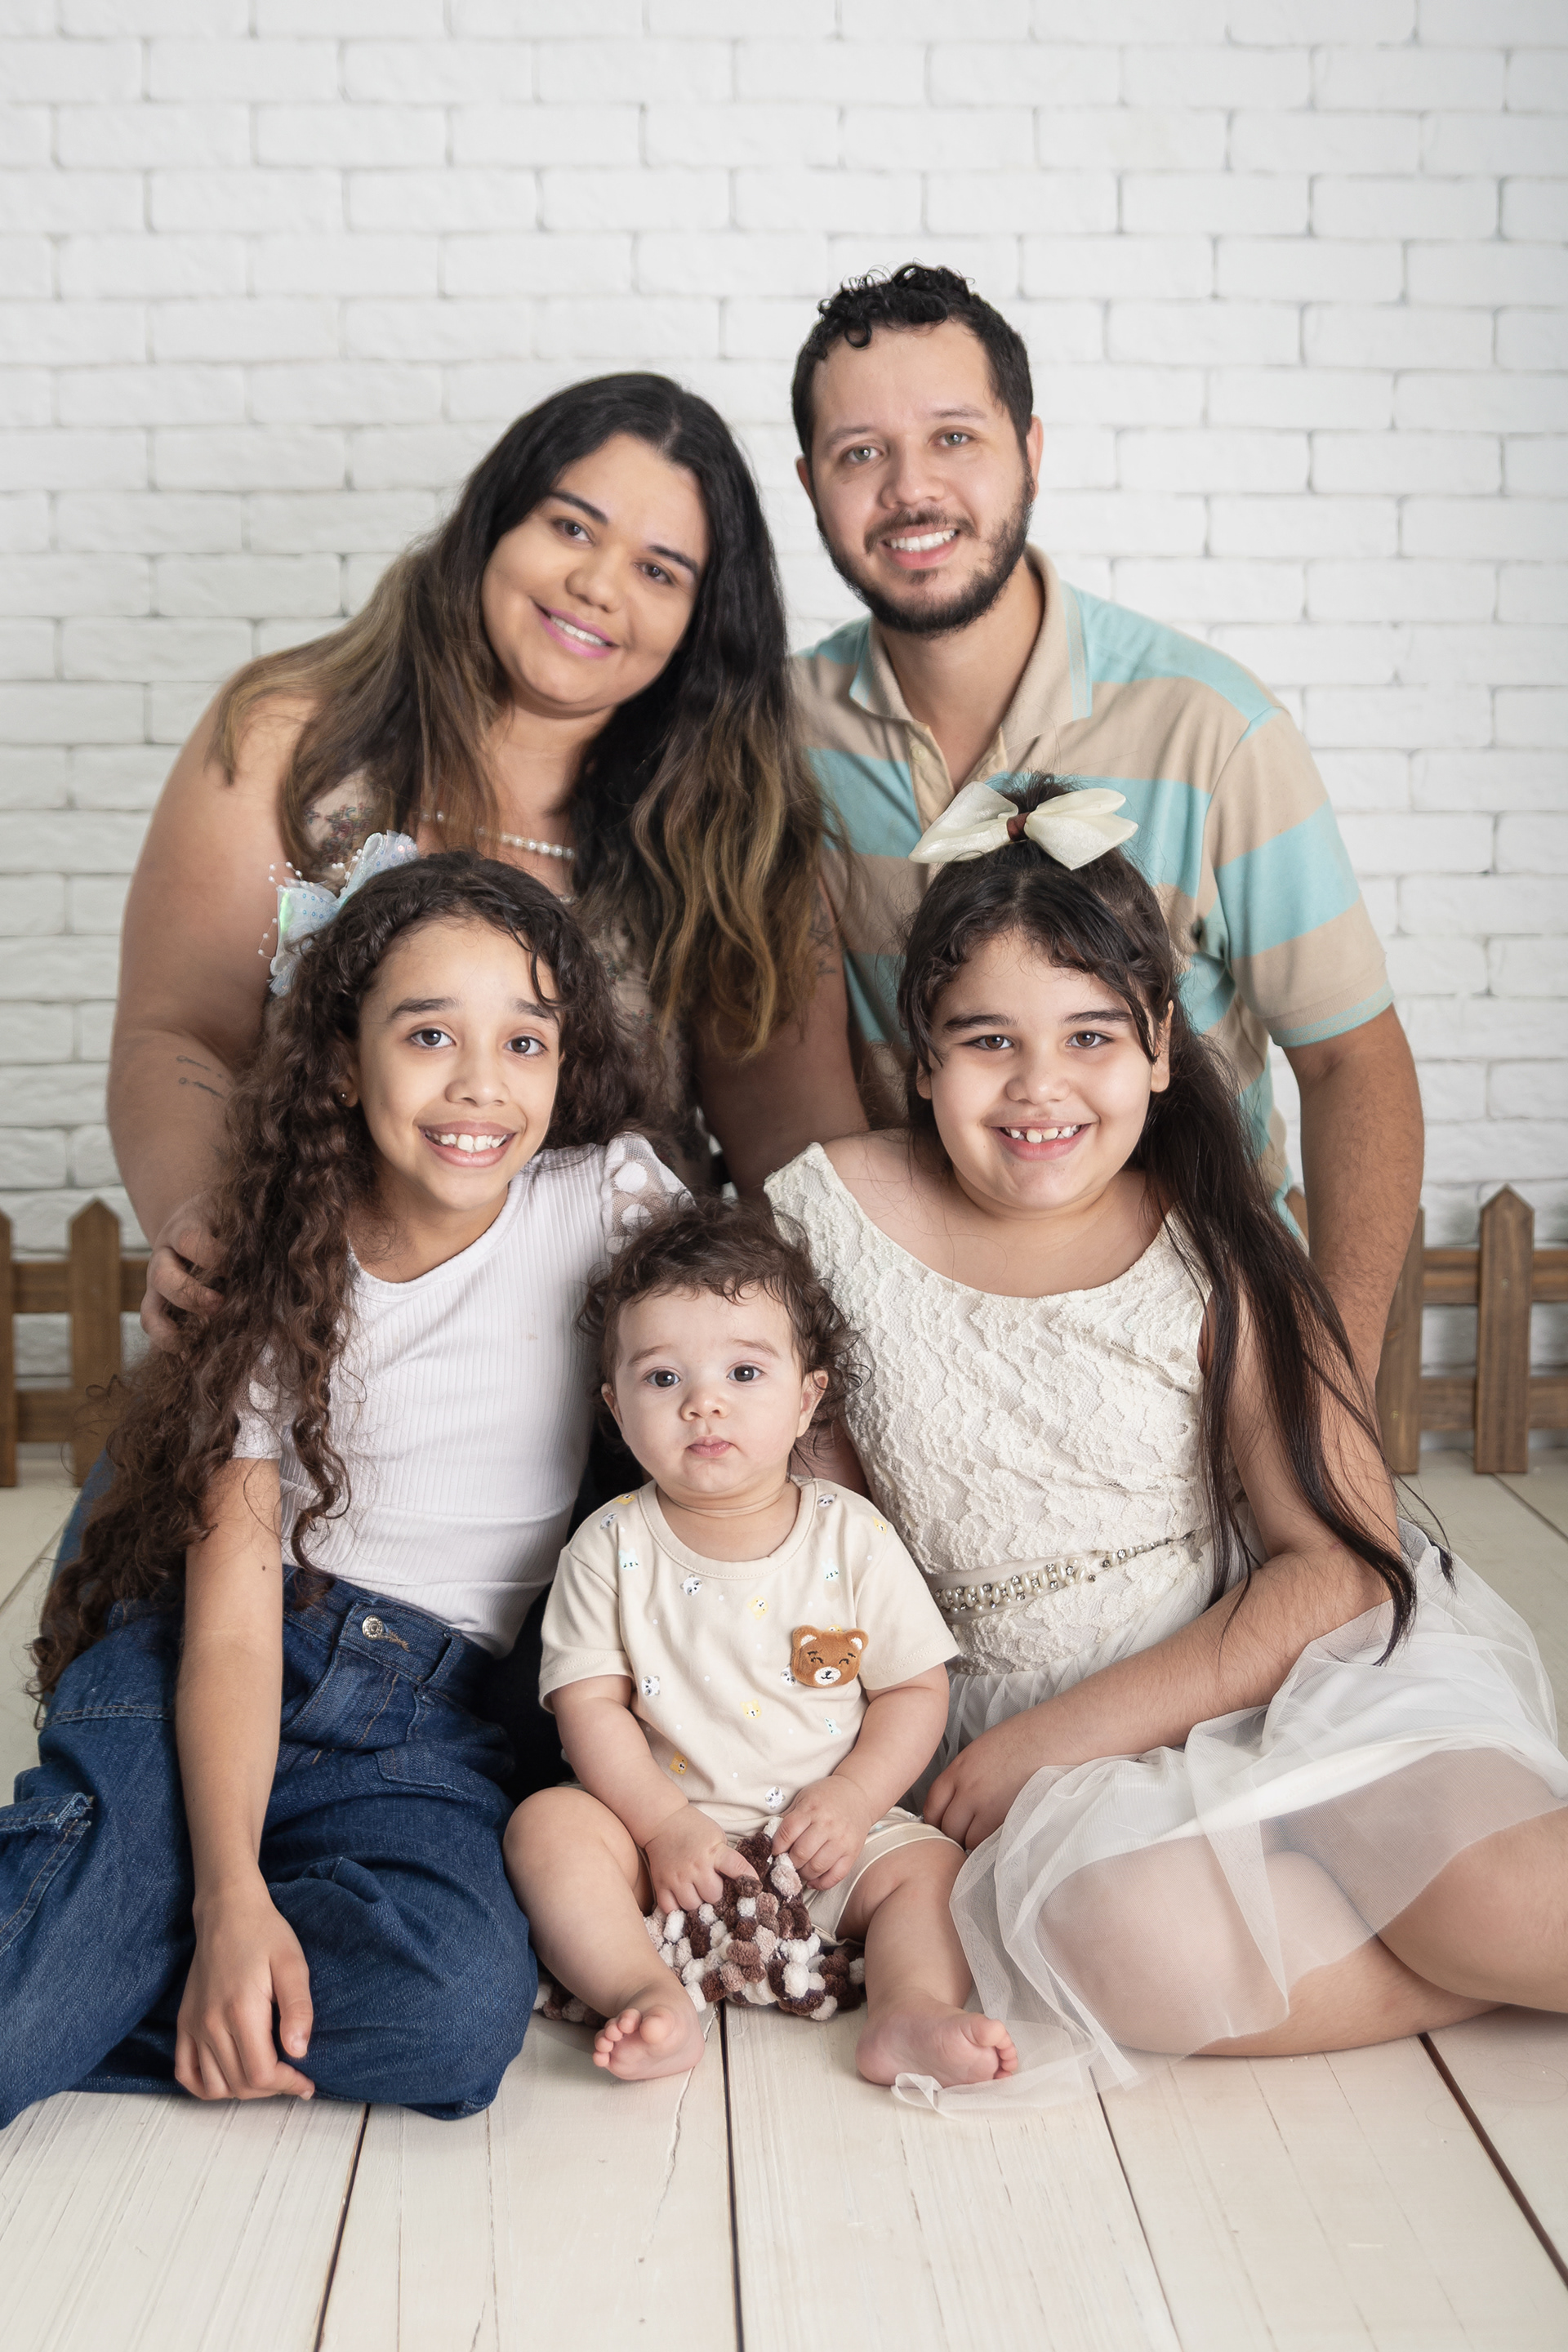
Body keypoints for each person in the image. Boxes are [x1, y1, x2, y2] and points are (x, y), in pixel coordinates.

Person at [768, 777, 1567, 2112]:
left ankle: (1455, 1921)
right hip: (1014, 1737)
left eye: (1091, 1035)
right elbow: (811, 1539)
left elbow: (1339, 1567)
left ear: (1156, 1050)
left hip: (1278, 1663)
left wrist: (1058, 1735)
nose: (1040, 1086)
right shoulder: (828, 1218)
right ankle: (1438, 1954)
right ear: (922, 1057)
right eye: (987, 1040)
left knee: (1492, 1886)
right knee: (1124, 1943)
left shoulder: (1216, 1242)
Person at [1, 852, 684, 2127]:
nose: (480, 1083)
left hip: (425, 1729)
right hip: (221, 1671)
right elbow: (229, 1627)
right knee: (17, 2017)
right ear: (340, 1063)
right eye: (429, 1035)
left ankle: (128, 1947)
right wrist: (228, 1897)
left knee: (452, 2019)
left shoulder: (605, 1198)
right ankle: (148, 1926)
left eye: (525, 1041)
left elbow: (738, 1346)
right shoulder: (276, 1264)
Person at [114, 371, 865, 1356]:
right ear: (493, 523)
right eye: (572, 527)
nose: (599, 585)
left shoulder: (735, 826)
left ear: (703, 622)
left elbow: (795, 1156)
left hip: (614, 1374)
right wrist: (206, 1221)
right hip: (310, 1331)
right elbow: (180, 1031)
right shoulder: (285, 742)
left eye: (659, 571)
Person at [790, 265, 1421, 1383]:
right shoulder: (779, 739)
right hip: (927, 1346)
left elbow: (1351, 1064)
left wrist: (1334, 1383)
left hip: (1204, 1327)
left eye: (954, 438)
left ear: (1031, 451)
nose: (911, 489)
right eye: (860, 453)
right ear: (810, 485)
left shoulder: (1209, 727)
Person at [504, 1199, 1016, 2092]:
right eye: (663, 1378)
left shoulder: (852, 1536)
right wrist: (662, 1826)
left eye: (744, 1372)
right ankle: (644, 1990)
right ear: (616, 1407)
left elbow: (913, 1689)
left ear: (807, 1398)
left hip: (822, 1841)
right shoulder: (609, 1546)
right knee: (546, 1829)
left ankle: (908, 2012)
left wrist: (855, 1800)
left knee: (933, 1869)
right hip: (661, 1847)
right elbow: (588, 1709)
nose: (703, 1402)